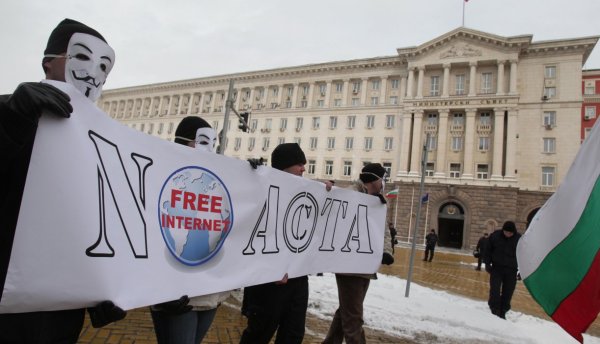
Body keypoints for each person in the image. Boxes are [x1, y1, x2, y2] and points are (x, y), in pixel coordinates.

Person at [0, 18, 125, 342]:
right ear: (49, 62)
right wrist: (13, 120)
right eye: (81, 57)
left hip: (57, 314)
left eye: (104, 67)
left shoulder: (103, 144)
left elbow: (99, 224)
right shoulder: (9, 111)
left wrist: (102, 289)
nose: (94, 73)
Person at [150, 116, 231, 343]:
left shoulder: (217, 179)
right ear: (184, 142)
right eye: (203, 141)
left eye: (213, 143)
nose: (210, 149)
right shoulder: (162, 176)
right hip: (175, 290)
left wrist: (252, 175)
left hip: (208, 290)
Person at [322, 163, 394, 344]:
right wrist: (327, 190)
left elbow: (382, 229)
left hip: (365, 265)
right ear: (374, 179)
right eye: (382, 178)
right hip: (349, 265)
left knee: (347, 310)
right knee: (353, 316)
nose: (384, 182)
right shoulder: (351, 193)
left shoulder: (377, 200)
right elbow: (331, 206)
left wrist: (386, 251)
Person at [483, 221, 521, 319]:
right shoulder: (495, 236)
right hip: (497, 268)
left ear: (514, 232)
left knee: (508, 291)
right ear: (503, 230)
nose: (508, 234)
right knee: (495, 289)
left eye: (510, 233)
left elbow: (524, 256)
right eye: (506, 232)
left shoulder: (519, 239)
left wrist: (522, 271)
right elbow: (487, 250)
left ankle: (503, 309)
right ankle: (495, 308)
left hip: (511, 270)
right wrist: (487, 263)